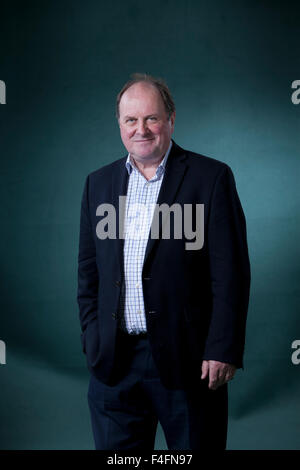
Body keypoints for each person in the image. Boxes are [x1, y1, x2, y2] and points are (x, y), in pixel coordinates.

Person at [77, 73, 251, 450]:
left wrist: (222, 348)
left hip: (188, 363)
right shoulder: (98, 184)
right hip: (114, 363)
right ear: (120, 125)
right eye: (131, 120)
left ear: (171, 120)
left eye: (151, 118)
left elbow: (230, 273)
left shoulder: (211, 178)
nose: (141, 129)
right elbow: (88, 275)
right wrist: (94, 339)